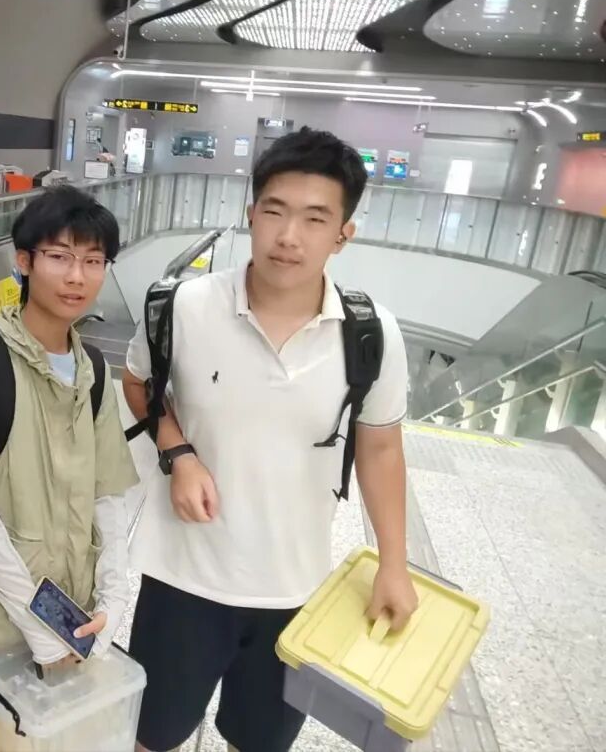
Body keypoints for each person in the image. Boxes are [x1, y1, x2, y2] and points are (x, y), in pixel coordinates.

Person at [122, 127, 418, 752]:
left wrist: (394, 565)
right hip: (182, 579)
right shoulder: (183, 306)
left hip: (295, 589)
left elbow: (381, 449)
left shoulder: (372, 334)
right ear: (251, 213)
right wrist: (178, 453)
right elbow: (139, 383)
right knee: (150, 737)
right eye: (276, 211)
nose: (289, 236)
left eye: (316, 219)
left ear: (343, 234)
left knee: (259, 742)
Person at [0, 185, 139, 752]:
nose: (77, 276)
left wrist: (113, 598)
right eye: (60, 257)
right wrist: (38, 625)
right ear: (23, 261)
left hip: (74, 615)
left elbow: (109, 494)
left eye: (93, 261)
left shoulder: (95, 369)